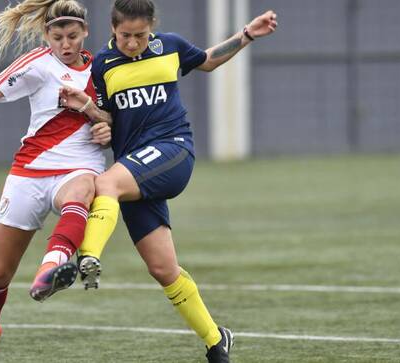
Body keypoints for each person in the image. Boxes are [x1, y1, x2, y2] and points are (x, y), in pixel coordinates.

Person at [59, 1, 278, 362]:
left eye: (141, 36)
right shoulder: (102, 65)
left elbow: (206, 60)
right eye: (126, 36)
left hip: (172, 149)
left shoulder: (170, 46)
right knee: (163, 269)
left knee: (106, 185)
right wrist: (92, 116)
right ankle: (216, 340)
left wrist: (247, 35)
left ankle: (86, 257)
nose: (133, 43)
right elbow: (109, 119)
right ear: (113, 29)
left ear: (153, 28)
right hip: (133, 165)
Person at [0, 1, 110, 361]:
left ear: (85, 33)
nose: (65, 44)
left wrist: (105, 127)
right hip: (29, 172)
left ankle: (51, 268)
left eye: (71, 36)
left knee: (82, 191)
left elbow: (118, 121)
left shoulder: (104, 68)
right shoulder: (38, 63)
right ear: (46, 36)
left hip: (79, 166)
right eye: (57, 37)